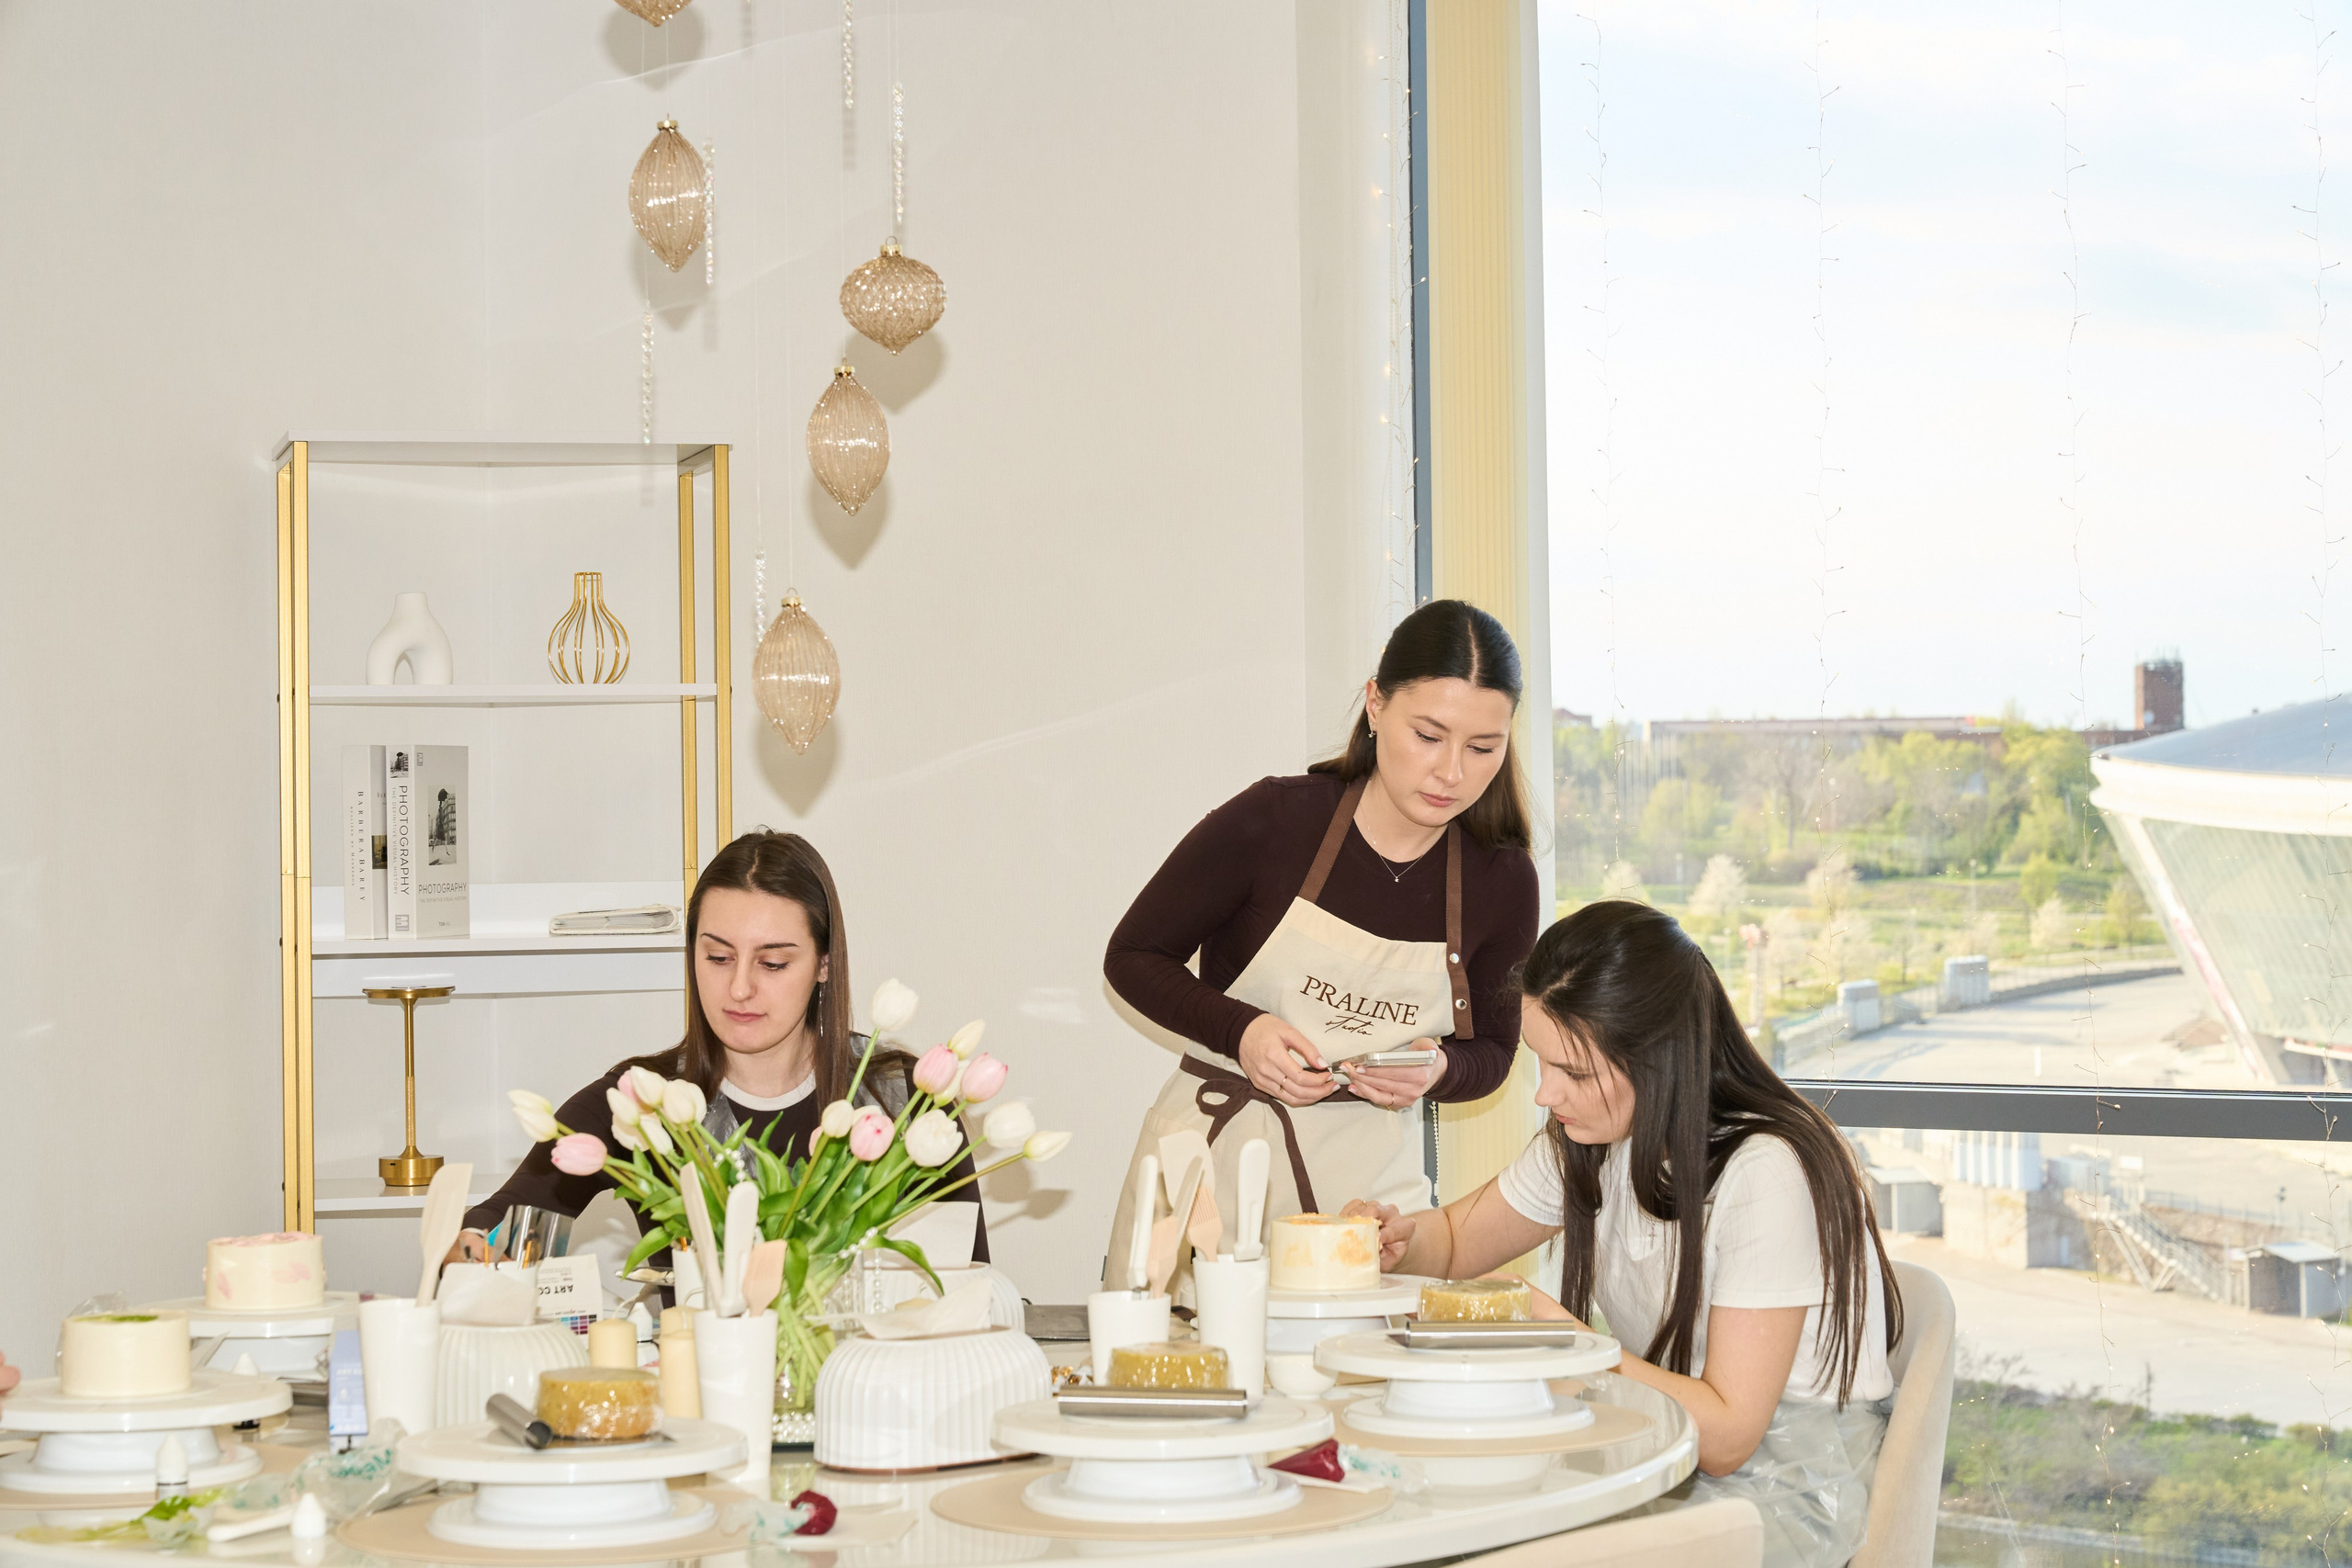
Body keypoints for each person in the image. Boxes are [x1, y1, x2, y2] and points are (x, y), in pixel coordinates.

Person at [1345, 900, 1900, 1568]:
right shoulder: (1590, 1140)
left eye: (1574, 1072)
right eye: (1541, 1063)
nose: (1546, 1095)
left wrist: (1569, 1347)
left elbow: (1727, 1437)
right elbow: (1458, 1243)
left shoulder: (1767, 1173)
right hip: (1669, 1462)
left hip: (1782, 1503)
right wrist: (1400, 1238)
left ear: (1660, 1057)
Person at [1102, 600, 1540, 1281]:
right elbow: (1131, 957)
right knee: (1180, 1369)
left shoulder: (1501, 879)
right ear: (1375, 704)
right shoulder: (1275, 823)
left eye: (1483, 747)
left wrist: (1437, 1071)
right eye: (1429, 734)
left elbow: (1494, 1049)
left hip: (1366, 1197)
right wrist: (1242, 1032)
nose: (1452, 772)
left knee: (1360, 1379)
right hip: (1211, 1160)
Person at [453, 830, 987, 1268]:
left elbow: (971, 1283)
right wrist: (472, 1249)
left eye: (773, 963)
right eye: (718, 958)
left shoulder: (904, 1102)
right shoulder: (644, 1102)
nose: (740, 989)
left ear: (824, 964)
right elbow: (494, 1226)